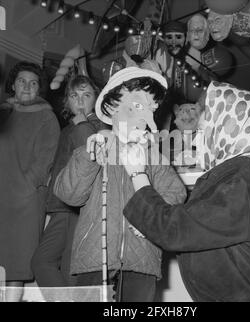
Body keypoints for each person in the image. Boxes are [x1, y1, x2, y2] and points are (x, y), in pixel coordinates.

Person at [120, 80, 250, 301]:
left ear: (231, 122)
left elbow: (177, 230)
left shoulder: (249, 180)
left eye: (204, 125)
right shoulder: (232, 176)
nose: (199, 134)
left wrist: (138, 175)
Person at [53, 67, 187, 302]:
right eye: (137, 106)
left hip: (141, 261)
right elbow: (69, 194)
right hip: (95, 258)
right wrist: (89, 157)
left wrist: (149, 218)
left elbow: (176, 193)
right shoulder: (92, 148)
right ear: (111, 107)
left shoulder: (154, 156)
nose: (147, 118)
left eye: (151, 109)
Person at [31, 75, 109, 297]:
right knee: (41, 263)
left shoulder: (98, 125)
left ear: (97, 99)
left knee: (70, 272)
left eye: (87, 95)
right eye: (75, 96)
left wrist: (83, 123)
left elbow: (93, 155)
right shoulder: (69, 127)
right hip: (60, 207)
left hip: (81, 207)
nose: (81, 101)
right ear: (67, 100)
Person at [0, 61, 60, 301]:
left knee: (16, 261)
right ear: (13, 85)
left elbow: (45, 160)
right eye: (22, 81)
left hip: (25, 202)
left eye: (33, 82)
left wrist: (25, 187)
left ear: (39, 89)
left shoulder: (46, 117)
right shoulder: (3, 113)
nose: (27, 86)